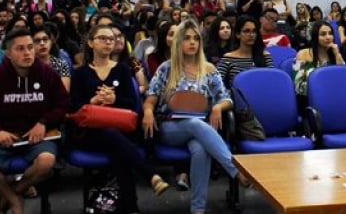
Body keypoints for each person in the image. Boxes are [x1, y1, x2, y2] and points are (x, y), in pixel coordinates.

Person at [143, 20, 250, 214]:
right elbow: (150, 99)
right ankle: (235, 170)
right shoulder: (166, 68)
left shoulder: (208, 69)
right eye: (186, 39)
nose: (192, 42)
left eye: (196, 39)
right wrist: (148, 111)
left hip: (201, 129)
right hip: (171, 127)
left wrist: (218, 106)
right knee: (194, 124)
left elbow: (227, 99)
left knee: (201, 148)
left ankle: (197, 209)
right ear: (178, 43)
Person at [71, 24, 169, 213]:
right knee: (113, 138)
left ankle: (130, 206)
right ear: (91, 43)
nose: (108, 42)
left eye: (111, 39)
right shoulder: (80, 73)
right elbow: (74, 106)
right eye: (103, 38)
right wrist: (93, 100)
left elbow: (132, 104)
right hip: (90, 133)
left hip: (120, 128)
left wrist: (114, 99)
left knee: (117, 145)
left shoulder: (123, 70)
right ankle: (149, 177)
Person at [0, 28, 69, 214]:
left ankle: (10, 196)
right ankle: (14, 200)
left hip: (36, 136)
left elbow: (63, 105)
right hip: (3, 135)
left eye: (30, 47)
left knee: (47, 161)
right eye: (20, 49)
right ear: (8, 54)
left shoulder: (46, 73)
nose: (28, 53)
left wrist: (43, 122)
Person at [293, 21, 343, 110]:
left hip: (334, 98)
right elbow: (298, 86)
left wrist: (337, 54)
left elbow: (344, 78)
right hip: (309, 101)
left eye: (330, 33)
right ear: (315, 37)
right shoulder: (302, 54)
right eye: (323, 34)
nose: (328, 37)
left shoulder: (334, 54)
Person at [217, 15, 273, 90]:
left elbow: (272, 81)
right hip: (236, 98)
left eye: (254, 31)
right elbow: (216, 83)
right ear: (238, 34)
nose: (251, 35)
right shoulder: (229, 58)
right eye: (246, 31)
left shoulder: (265, 56)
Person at [32, 25, 71, 92]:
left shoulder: (61, 65)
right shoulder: (28, 65)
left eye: (45, 39)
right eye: (37, 41)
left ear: (51, 42)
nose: (42, 43)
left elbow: (64, 93)